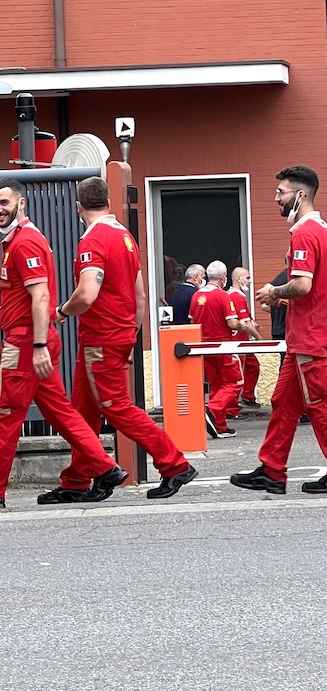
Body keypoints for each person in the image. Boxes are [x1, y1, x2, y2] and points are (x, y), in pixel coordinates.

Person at [53, 176, 197, 501]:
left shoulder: (92, 241)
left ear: (79, 207)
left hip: (99, 338)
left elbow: (87, 293)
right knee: (83, 410)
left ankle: (175, 464)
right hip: (116, 335)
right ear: (106, 201)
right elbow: (141, 296)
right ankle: (78, 479)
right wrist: (130, 336)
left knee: (116, 408)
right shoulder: (125, 237)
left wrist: (63, 310)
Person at [233, 165, 327, 495]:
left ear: (300, 195)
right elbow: (314, 289)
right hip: (307, 334)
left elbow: (302, 285)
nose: (276, 198)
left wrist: (274, 293)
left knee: (320, 405)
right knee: (283, 402)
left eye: (281, 192)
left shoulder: (305, 232)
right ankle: (272, 470)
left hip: (308, 336)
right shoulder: (321, 229)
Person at [0, 179, 126, 509]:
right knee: (62, 413)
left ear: (21, 203)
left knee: (7, 417)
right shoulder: (16, 241)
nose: (0, 209)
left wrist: (38, 344)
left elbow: (41, 296)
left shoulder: (25, 242)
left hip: (26, 343)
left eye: (5, 202)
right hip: (32, 342)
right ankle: (105, 467)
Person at [189, 260, 241, 439]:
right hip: (223, 346)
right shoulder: (223, 296)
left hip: (203, 347)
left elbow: (192, 322)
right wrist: (246, 326)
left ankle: (220, 426)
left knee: (217, 386)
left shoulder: (196, 296)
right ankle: (212, 411)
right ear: (223, 277)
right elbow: (232, 322)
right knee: (234, 383)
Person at [231, 266, 264, 409]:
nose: (250, 282)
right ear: (238, 279)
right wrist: (258, 337)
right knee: (241, 373)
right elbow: (244, 322)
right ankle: (234, 404)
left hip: (242, 341)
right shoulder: (237, 297)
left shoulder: (234, 295)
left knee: (252, 366)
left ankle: (247, 397)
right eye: (248, 278)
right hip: (239, 342)